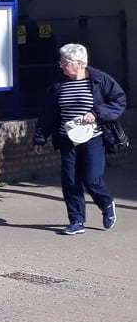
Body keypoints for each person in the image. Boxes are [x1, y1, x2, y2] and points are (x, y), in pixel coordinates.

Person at [33, 44, 127, 235]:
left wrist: (97, 113)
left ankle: (106, 203)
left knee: (92, 179)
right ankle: (76, 220)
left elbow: (119, 101)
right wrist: (40, 138)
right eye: (62, 62)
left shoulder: (100, 80)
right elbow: (48, 113)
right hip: (67, 138)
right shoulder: (58, 85)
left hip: (93, 137)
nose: (61, 66)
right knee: (70, 180)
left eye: (65, 62)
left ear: (79, 63)